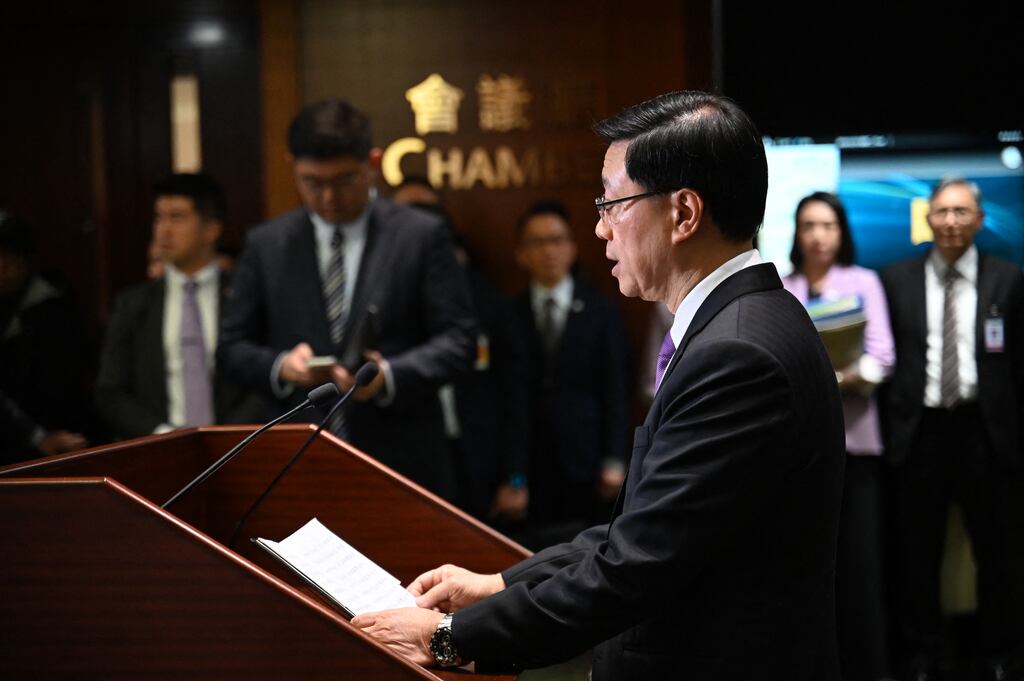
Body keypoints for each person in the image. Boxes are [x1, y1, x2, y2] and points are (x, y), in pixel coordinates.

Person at [352, 90, 846, 680]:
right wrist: (501, 583)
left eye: (613, 203)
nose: (599, 228)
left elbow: (635, 565)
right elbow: (639, 527)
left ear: (684, 213)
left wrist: (447, 637)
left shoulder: (737, 354)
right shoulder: (741, 323)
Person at [217, 99, 476, 499]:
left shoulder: (420, 235)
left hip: (401, 460)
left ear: (372, 162)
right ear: (292, 166)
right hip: (298, 463)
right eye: (312, 182)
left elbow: (459, 340)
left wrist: (388, 376)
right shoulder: (266, 244)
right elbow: (231, 347)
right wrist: (282, 366)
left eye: (343, 180)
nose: (328, 198)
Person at [881, 178, 1024, 681]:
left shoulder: (1008, 279)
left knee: (999, 552)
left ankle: (1001, 655)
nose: (951, 221)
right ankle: (921, 656)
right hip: (919, 434)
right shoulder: (894, 279)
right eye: (942, 212)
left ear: (980, 221)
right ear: (928, 218)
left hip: (985, 433)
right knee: (916, 553)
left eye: (962, 212)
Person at [782, 191, 895, 681]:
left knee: (861, 570)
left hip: (857, 445)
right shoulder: (783, 287)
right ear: (796, 232)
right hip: (797, 454)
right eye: (808, 225)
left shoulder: (864, 282)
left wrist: (835, 378)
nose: (817, 235)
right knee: (807, 570)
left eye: (827, 225)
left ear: (841, 232)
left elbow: (882, 357)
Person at [390, 177, 531, 526]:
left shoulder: (488, 305)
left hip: (480, 462)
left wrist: (515, 476)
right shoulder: (386, 307)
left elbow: (516, 395)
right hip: (409, 463)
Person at [94, 173, 265, 439]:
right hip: (157, 448)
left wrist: (225, 436)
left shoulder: (244, 295)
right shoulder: (134, 304)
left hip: (236, 445)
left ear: (211, 229)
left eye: (177, 218)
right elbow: (111, 390)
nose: (163, 230)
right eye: (159, 218)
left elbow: (263, 379)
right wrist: (162, 434)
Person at [512, 199, 631, 548]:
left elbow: (616, 389)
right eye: (538, 242)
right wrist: (512, 474)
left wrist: (614, 457)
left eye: (557, 240)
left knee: (587, 549)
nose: (549, 250)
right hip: (532, 460)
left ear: (573, 248)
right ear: (521, 253)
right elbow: (508, 396)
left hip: (588, 458)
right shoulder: (508, 313)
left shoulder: (602, 310)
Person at [0, 210, 93, 450]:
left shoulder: (52, 313)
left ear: (16, 263)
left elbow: (62, 394)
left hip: (42, 449)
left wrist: (37, 437)